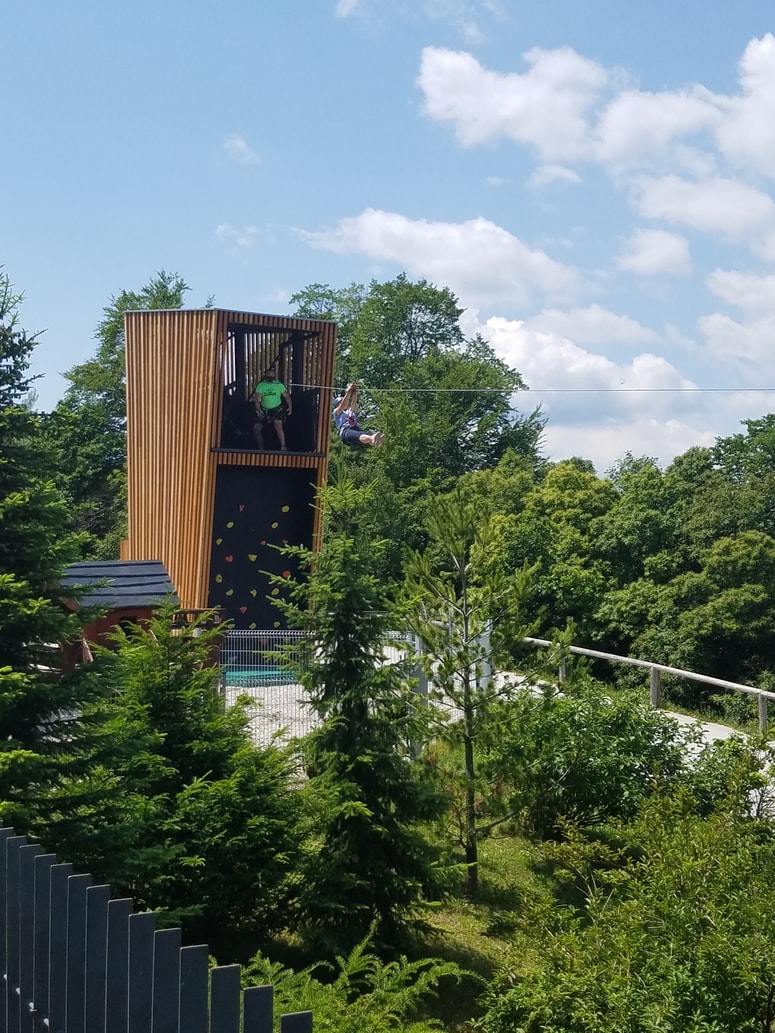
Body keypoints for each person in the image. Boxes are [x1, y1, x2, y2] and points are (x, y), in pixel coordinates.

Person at [333, 382, 385, 448]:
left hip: (356, 428)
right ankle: (372, 439)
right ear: (337, 405)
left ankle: (374, 441)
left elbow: (354, 402)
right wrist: (348, 392)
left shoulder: (350, 411)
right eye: (340, 402)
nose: (345, 402)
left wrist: (355, 392)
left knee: (365, 434)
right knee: (360, 435)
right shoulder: (337, 412)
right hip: (346, 431)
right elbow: (343, 405)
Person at [253, 366, 292, 450]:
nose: (270, 378)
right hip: (264, 410)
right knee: (256, 428)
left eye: (272, 376)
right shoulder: (261, 386)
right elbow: (257, 399)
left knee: (278, 424)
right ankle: (260, 448)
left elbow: (287, 396)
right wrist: (259, 410)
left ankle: (283, 446)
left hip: (276, 409)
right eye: (269, 376)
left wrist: (290, 407)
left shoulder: (279, 385)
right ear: (265, 376)